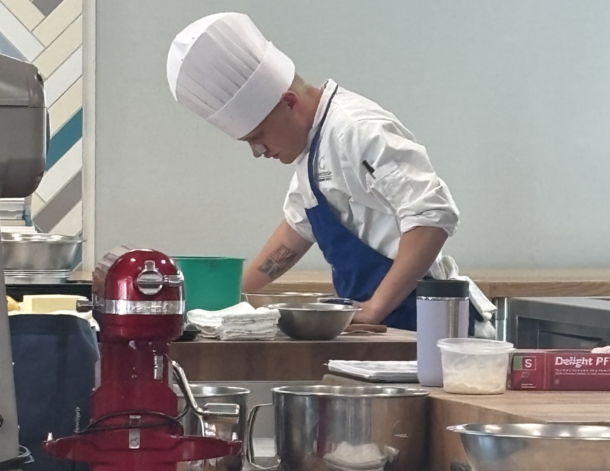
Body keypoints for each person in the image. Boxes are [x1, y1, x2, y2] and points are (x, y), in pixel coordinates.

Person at [167, 13, 494, 334]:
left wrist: (375, 309)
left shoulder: (356, 129)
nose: (258, 151)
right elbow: (297, 230)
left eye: (258, 136)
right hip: (385, 329)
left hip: (426, 323)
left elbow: (431, 217)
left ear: (289, 103)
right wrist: (227, 305)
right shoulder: (312, 149)